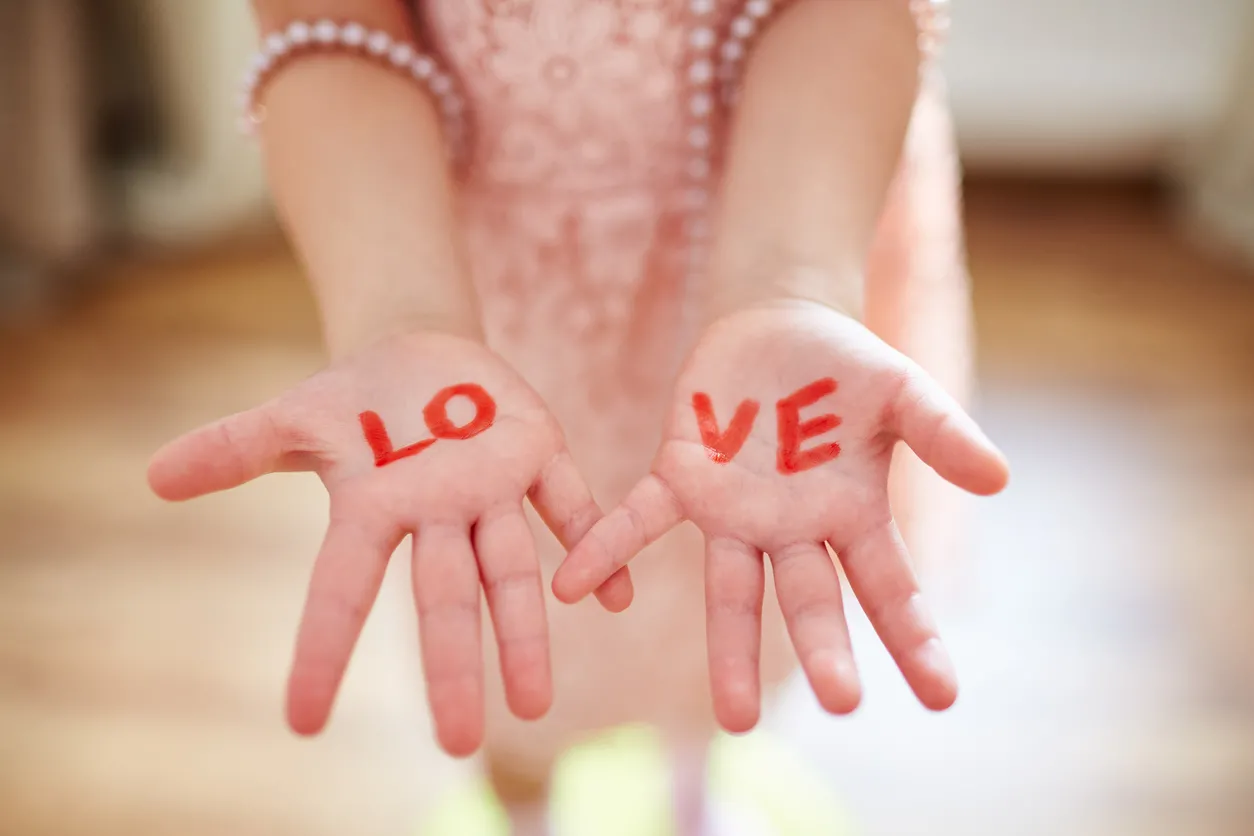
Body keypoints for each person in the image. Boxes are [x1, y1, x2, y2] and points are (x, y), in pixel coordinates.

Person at [147, 1, 1009, 832]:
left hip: (793, 200)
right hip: (483, 279)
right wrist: (401, 315)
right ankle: (526, 815)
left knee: (733, 575)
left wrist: (786, 282)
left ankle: (693, 796)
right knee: (507, 618)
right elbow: (328, 23)